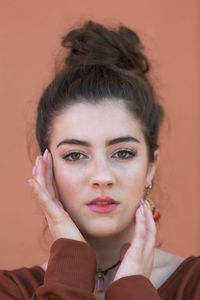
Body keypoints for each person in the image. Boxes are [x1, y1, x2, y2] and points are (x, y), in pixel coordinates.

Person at [0, 21, 199, 300]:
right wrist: (70, 268)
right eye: (75, 155)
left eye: (123, 153)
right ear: (48, 170)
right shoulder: (11, 291)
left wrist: (132, 287)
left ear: (151, 167)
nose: (102, 176)